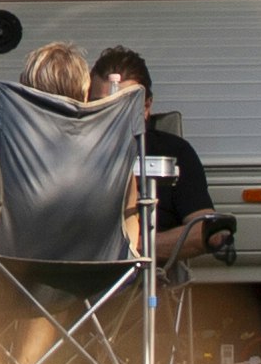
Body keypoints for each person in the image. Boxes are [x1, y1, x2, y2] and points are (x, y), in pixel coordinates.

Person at [92, 46, 223, 257]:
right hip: (87, 281)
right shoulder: (75, 153)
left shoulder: (174, 152)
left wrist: (132, 246)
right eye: (101, 105)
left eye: (124, 106)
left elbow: (207, 231)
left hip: (153, 279)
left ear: (146, 107)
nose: (112, 116)